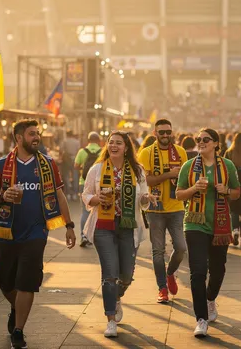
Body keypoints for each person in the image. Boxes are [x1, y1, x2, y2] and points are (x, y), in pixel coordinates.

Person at [0, 119, 76, 349]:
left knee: (27, 282)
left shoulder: (48, 164)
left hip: (37, 232)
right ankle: (17, 308)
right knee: (4, 281)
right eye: (32, 134)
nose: (37, 137)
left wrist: (69, 225)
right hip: (7, 232)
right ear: (18, 138)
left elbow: (60, 196)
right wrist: (4, 196)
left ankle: (18, 330)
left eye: (38, 133)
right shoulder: (1, 164)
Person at [82, 131, 157, 337]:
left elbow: (142, 197)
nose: (114, 145)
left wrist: (147, 198)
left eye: (119, 143)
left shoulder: (137, 171)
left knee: (126, 275)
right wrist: (96, 199)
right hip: (103, 227)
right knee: (110, 275)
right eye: (111, 142)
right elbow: (86, 194)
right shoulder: (97, 169)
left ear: (126, 147)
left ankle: (116, 297)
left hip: (127, 226)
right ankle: (111, 319)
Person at [176, 128, 240, 337]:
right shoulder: (189, 166)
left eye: (205, 139)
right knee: (197, 272)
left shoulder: (227, 165)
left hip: (220, 226)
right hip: (195, 224)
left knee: (218, 269)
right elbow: (178, 194)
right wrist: (194, 188)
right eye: (198, 139)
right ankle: (201, 319)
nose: (201, 142)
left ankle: (210, 298)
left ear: (215, 144)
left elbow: (238, 192)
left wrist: (227, 191)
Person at [138, 119, 189, 304]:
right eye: (162, 132)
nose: (166, 135)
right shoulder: (147, 153)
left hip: (176, 208)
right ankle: (162, 288)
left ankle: (170, 273)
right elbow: (147, 181)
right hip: (155, 209)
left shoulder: (181, 152)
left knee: (181, 248)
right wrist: (169, 175)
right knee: (158, 251)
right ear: (155, 133)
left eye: (168, 132)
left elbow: (185, 178)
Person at [75, 132, 103, 247]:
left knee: (85, 211)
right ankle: (96, 235)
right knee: (99, 211)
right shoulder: (102, 151)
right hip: (99, 184)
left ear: (88, 140)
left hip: (84, 182)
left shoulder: (82, 151)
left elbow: (76, 166)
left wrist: (84, 168)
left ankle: (84, 236)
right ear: (98, 141)